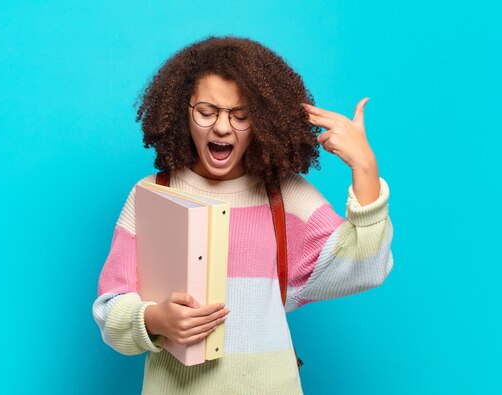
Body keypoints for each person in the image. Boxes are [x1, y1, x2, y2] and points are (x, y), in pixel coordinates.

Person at [92, 36, 394, 394]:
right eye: (207, 112)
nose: (222, 127)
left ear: (263, 121)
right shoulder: (152, 194)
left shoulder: (286, 196)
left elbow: (369, 265)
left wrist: (365, 168)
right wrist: (155, 319)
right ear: (180, 112)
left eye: (241, 116)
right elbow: (111, 311)